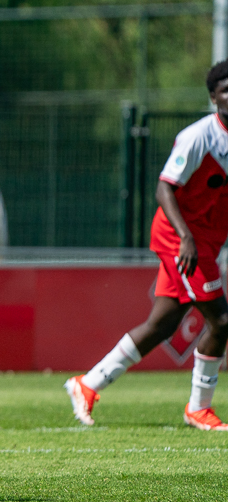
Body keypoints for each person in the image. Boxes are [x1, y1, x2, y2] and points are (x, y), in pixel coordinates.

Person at [65, 60, 228, 430]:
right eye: (226, 89)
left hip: (206, 240)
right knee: (221, 320)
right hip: (181, 237)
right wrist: (186, 237)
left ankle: (87, 384)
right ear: (213, 97)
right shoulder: (198, 137)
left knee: (161, 324)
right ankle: (198, 408)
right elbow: (164, 187)